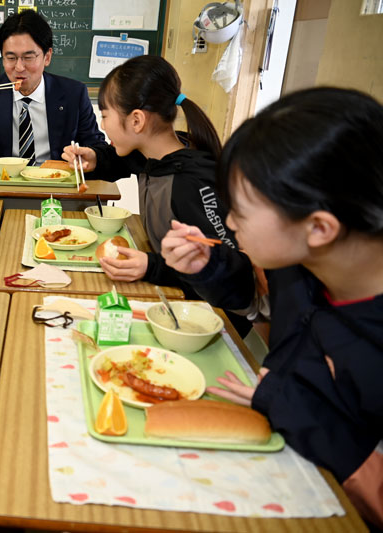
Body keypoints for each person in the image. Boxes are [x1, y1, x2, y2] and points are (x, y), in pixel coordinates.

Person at [160, 87, 383, 530]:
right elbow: (257, 306)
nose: (227, 222)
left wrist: (292, 407)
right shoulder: (295, 263)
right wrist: (209, 265)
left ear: (319, 227)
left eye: (240, 210)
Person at [62, 55, 254, 334]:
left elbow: (227, 273)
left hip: (207, 324)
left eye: (105, 116)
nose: (102, 125)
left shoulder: (190, 184)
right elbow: (120, 160)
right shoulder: (159, 154)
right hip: (173, 298)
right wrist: (94, 158)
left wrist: (152, 267)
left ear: (137, 120)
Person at [0, 10, 106, 165]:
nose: (19, 67)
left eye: (28, 58)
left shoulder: (73, 93)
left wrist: (85, 155)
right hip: (5, 183)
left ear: (47, 57)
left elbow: (96, 146)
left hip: (56, 182)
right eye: (11, 58)